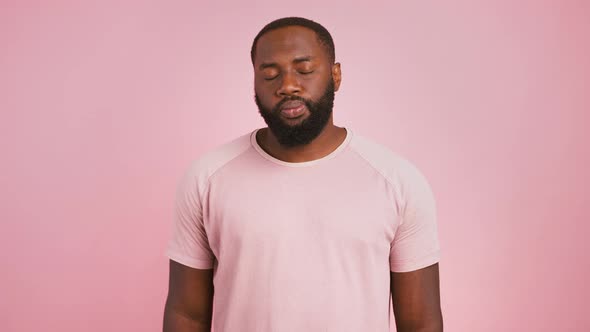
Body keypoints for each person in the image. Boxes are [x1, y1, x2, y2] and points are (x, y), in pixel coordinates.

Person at [163, 17, 443, 332]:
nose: (287, 86)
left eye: (305, 70)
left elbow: (420, 322)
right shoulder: (207, 177)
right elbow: (187, 314)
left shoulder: (397, 181)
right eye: (269, 74)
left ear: (336, 75)